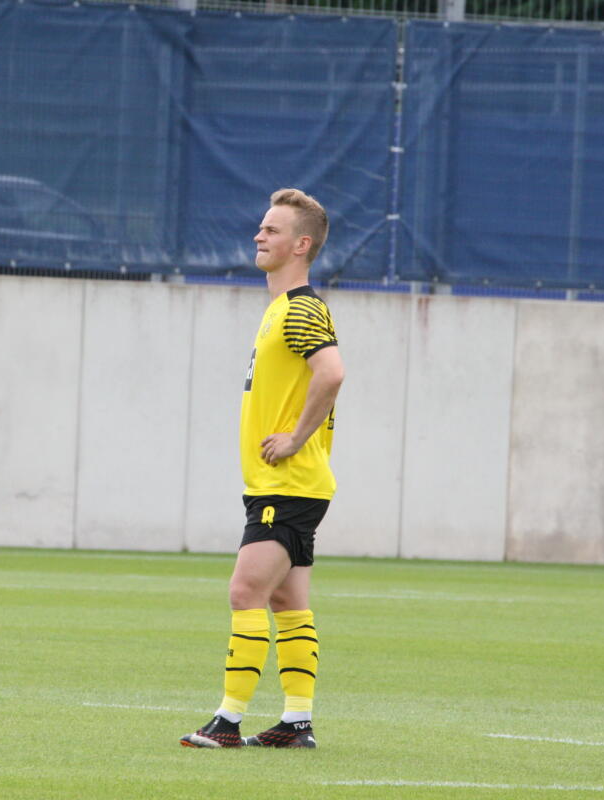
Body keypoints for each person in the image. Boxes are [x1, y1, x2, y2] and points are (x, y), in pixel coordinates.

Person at [180, 188, 344, 750]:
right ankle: (297, 723)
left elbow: (332, 372)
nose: (259, 235)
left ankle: (227, 722)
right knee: (286, 602)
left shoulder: (300, 307)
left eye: (272, 230)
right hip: (284, 485)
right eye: (261, 227)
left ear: (302, 245)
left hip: (288, 483)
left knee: (245, 590)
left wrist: (296, 436)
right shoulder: (279, 309)